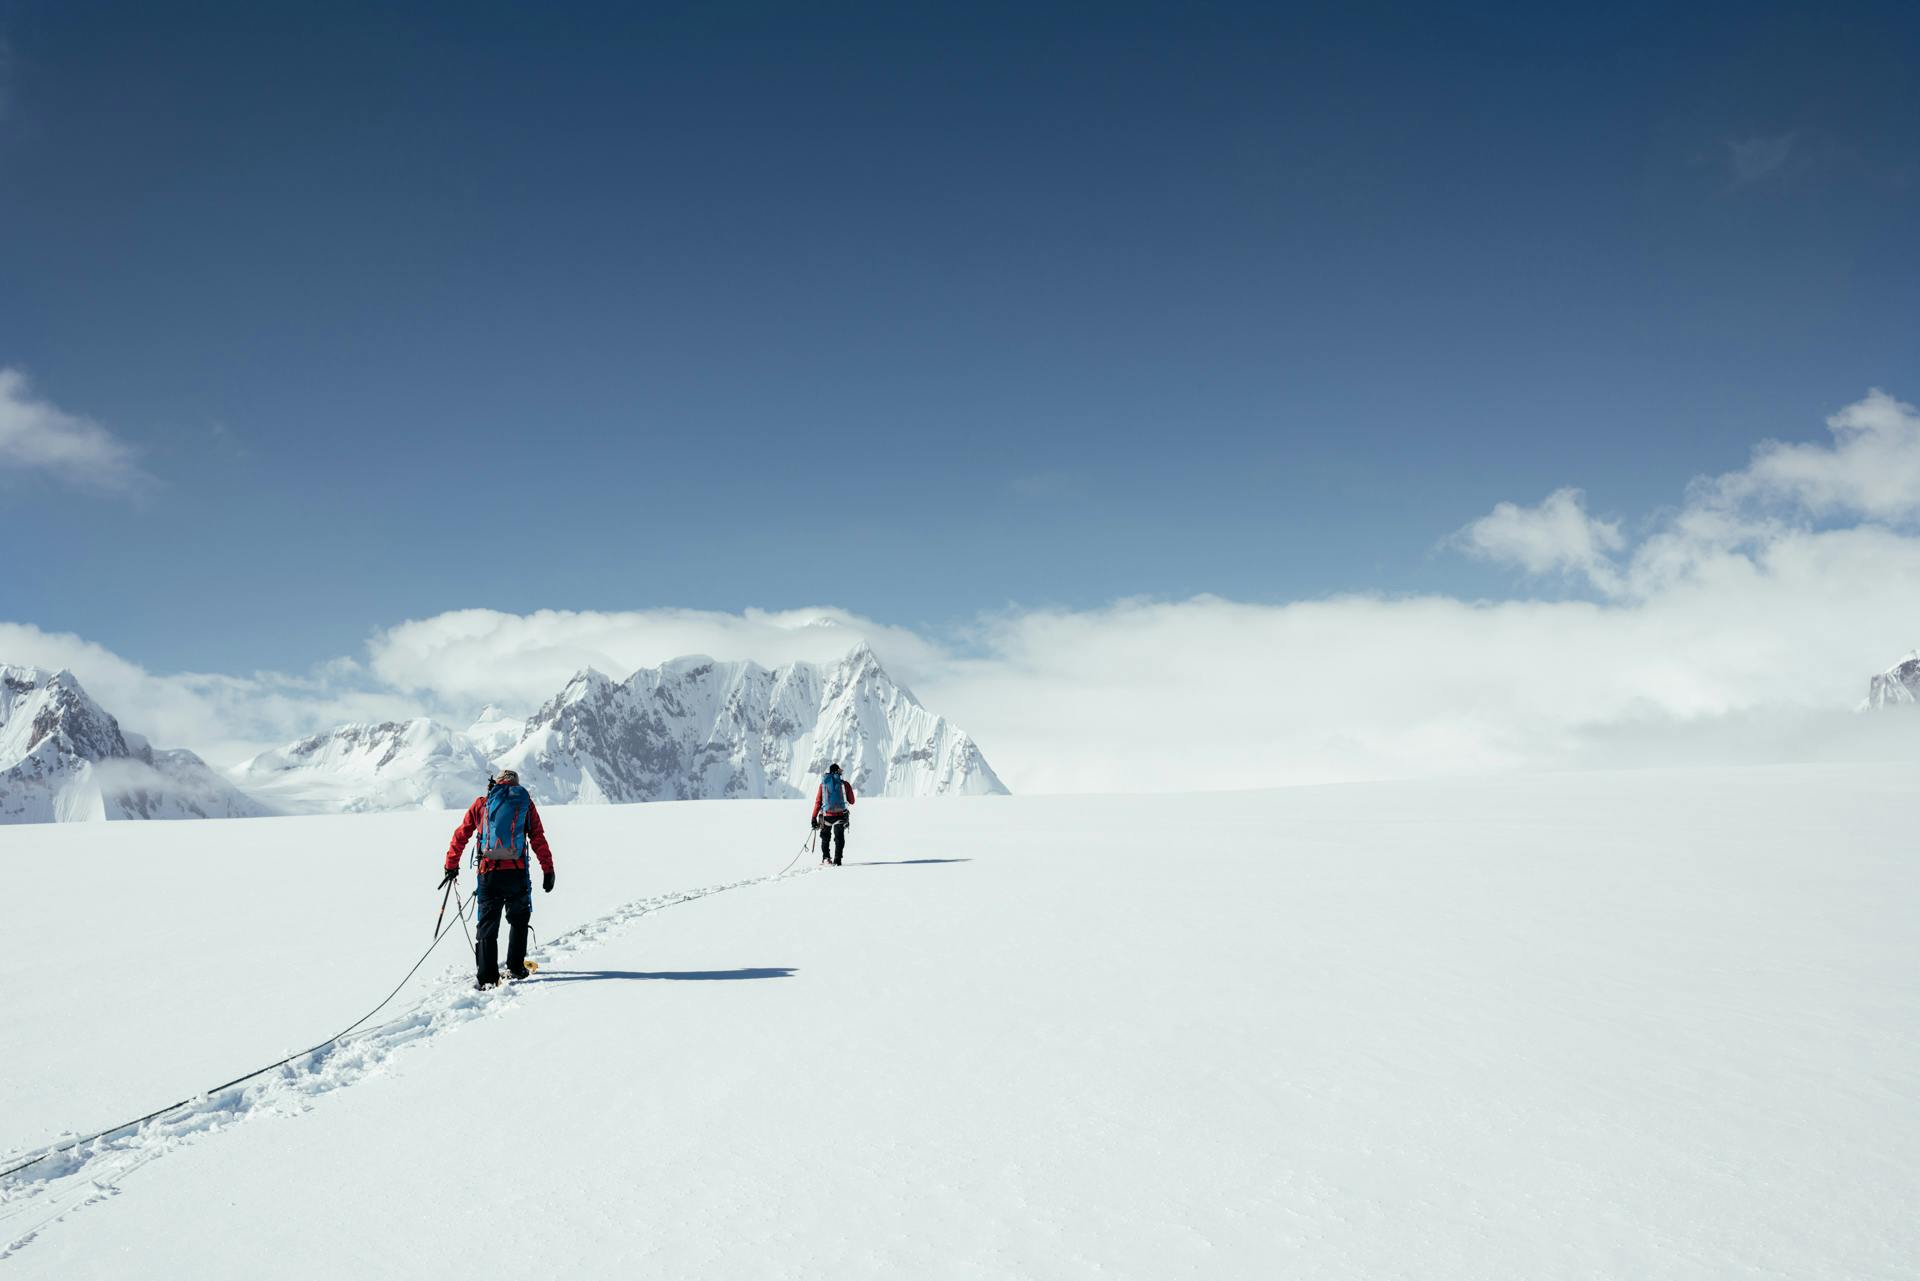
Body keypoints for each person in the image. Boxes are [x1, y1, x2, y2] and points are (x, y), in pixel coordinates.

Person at [440, 768, 555, 988]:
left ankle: (487, 978)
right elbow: (538, 838)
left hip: (488, 874)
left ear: (496, 784)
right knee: (519, 920)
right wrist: (548, 870)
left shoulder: (482, 804)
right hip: (517, 873)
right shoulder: (525, 805)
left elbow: (461, 834)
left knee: (487, 926)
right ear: (516, 785)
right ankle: (515, 968)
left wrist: (451, 865)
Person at [810, 762, 856, 866]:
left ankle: (826, 858)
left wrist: (813, 817)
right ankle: (837, 860)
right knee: (839, 838)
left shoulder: (823, 785)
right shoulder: (844, 784)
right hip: (840, 815)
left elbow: (818, 802)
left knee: (825, 837)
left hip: (826, 816)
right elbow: (852, 801)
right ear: (838, 772)